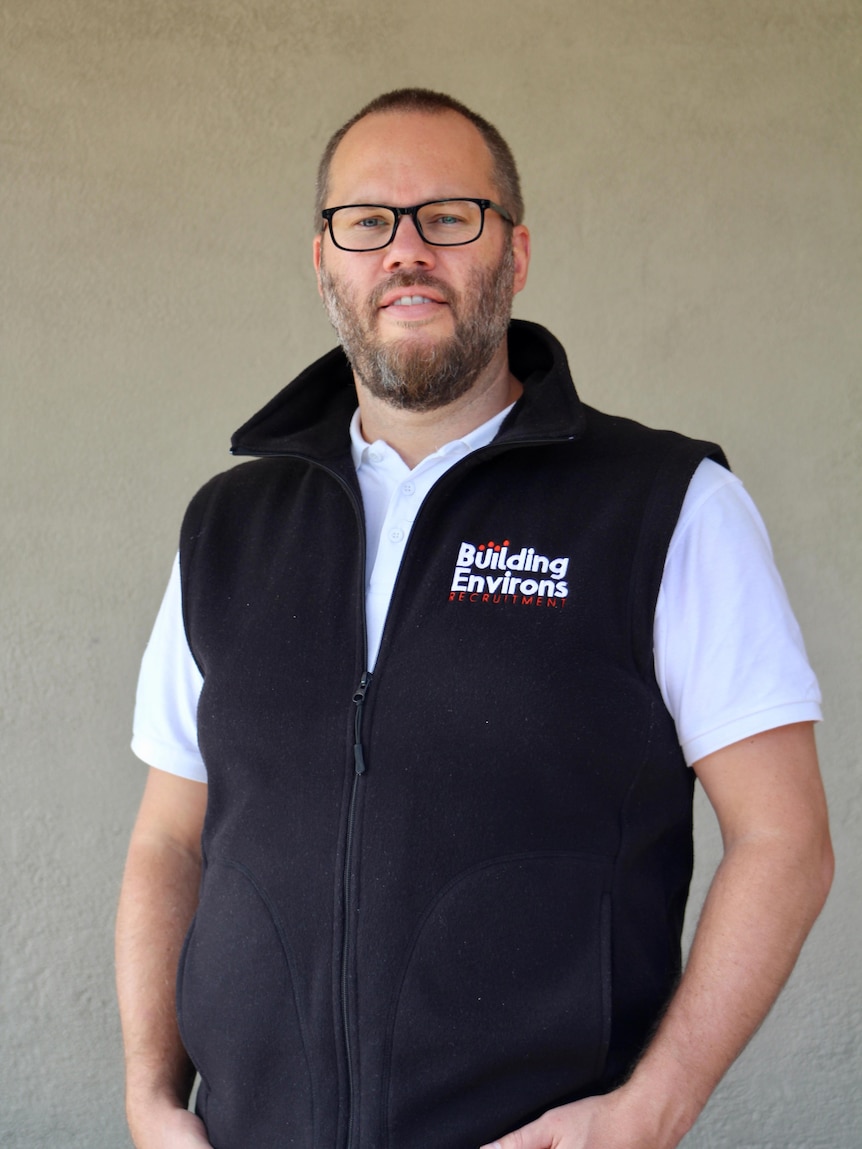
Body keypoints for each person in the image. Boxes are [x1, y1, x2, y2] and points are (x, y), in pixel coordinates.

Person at [115, 88, 833, 1149]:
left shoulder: (665, 505)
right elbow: (170, 841)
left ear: (516, 253)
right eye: (366, 222)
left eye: (450, 216)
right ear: (325, 263)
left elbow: (785, 840)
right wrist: (149, 1096)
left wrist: (652, 1108)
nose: (407, 250)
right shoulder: (229, 526)